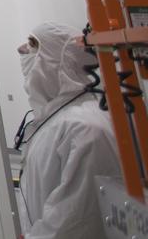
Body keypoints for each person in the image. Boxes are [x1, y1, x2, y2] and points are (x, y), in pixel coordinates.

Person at [17, 22, 120, 239]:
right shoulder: (58, 120)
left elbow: (76, 221)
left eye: (33, 45)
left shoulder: (85, 128)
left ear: (59, 58)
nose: (22, 50)